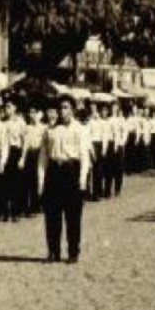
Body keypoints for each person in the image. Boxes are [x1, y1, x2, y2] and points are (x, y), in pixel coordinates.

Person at [39, 97, 90, 264]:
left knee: (73, 215)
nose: (62, 111)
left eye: (66, 107)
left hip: (71, 171)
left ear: (73, 110)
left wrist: (82, 180)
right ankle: (53, 251)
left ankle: (73, 252)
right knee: (52, 214)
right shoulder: (50, 130)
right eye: (61, 108)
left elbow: (84, 156)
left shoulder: (80, 129)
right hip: (54, 172)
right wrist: (41, 180)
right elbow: (43, 157)